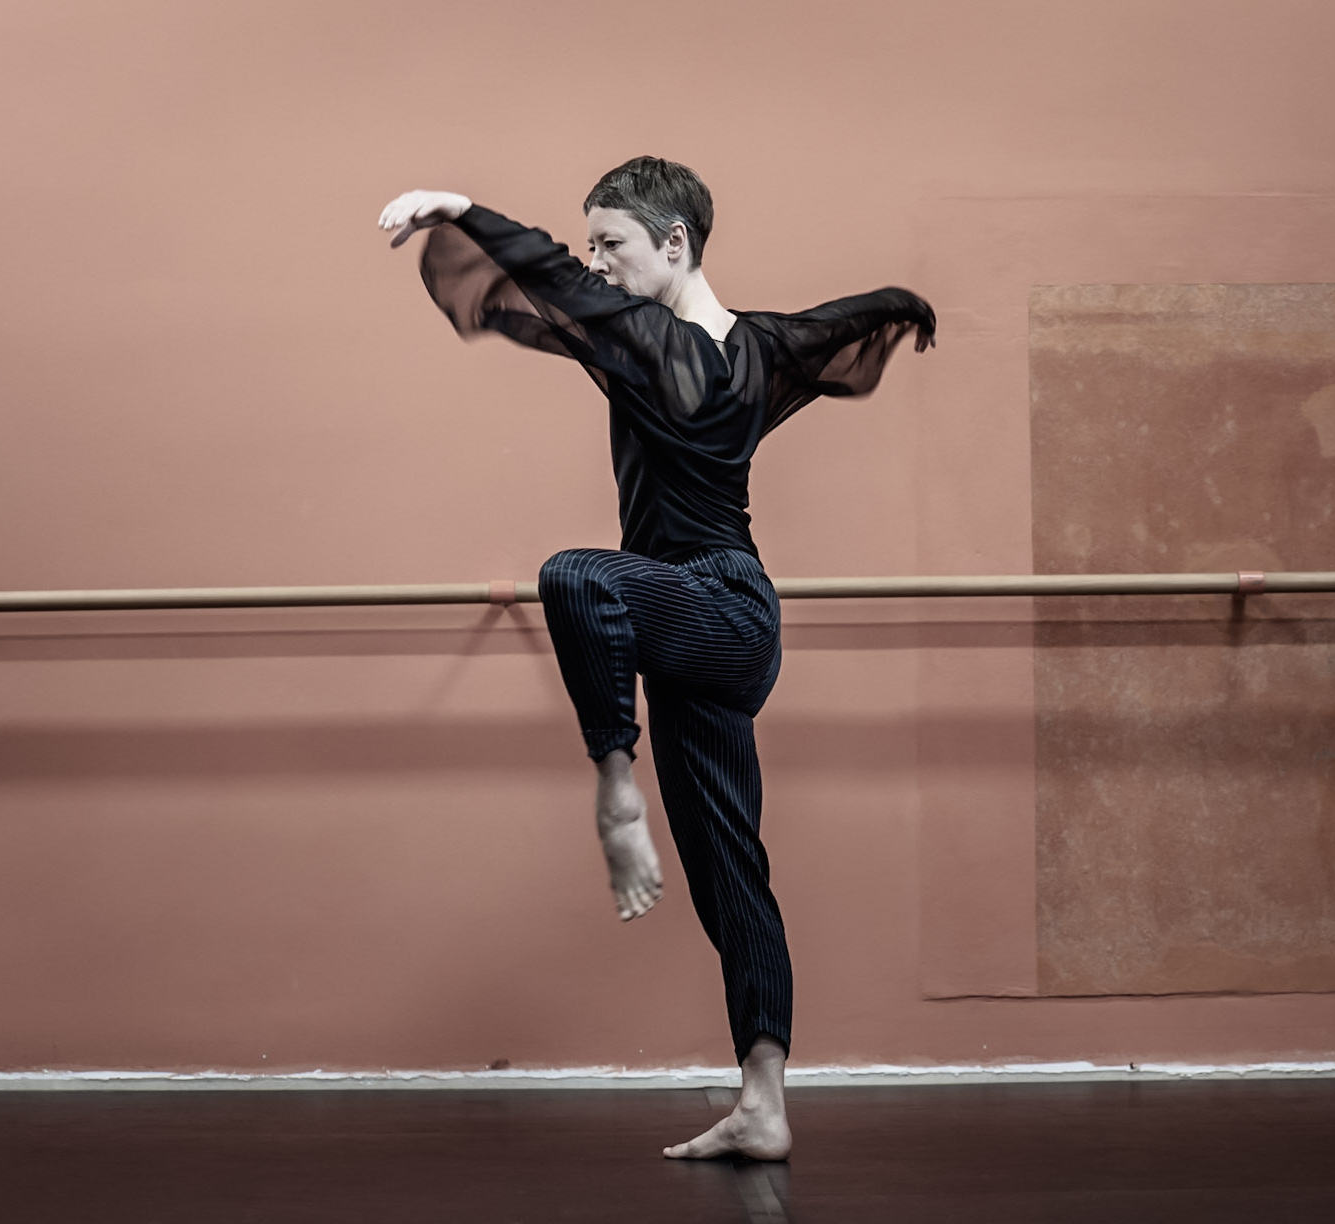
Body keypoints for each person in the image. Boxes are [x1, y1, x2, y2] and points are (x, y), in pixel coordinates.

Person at [377, 156, 933, 1161]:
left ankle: (614, 788)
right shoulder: (756, 345)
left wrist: (461, 207)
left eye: (613, 245)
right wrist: (904, 309)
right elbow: (838, 326)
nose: (597, 263)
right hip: (700, 628)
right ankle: (763, 1105)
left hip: (712, 606)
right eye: (593, 245)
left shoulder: (652, 337)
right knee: (730, 874)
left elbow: (555, 280)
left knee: (574, 576)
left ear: (675, 243)